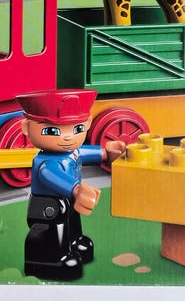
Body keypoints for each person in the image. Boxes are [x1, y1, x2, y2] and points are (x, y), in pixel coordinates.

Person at [16, 89, 126, 280]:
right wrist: (75, 188)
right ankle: (54, 259)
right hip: (48, 205)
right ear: (26, 128)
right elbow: (51, 175)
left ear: (88, 124)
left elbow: (83, 153)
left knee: (72, 220)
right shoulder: (46, 162)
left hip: (69, 198)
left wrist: (105, 153)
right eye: (52, 131)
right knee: (54, 229)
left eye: (77, 129)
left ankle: (74, 242)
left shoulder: (72, 151)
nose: (67, 137)